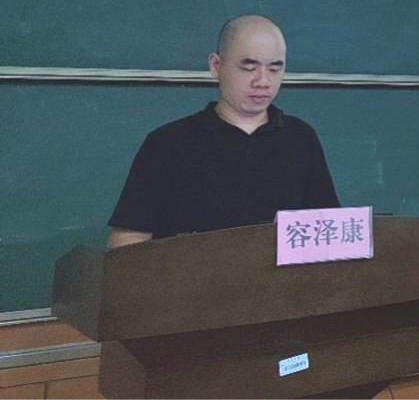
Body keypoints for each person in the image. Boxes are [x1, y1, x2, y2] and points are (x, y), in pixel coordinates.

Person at [107, 14, 340, 248]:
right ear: (216, 65)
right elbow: (127, 241)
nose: (263, 81)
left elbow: (331, 233)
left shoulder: (300, 139)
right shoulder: (167, 144)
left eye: (274, 69)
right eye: (249, 68)